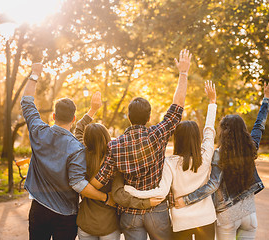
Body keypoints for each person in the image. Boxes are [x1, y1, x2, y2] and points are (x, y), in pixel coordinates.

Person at [90, 49, 192, 240]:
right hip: (157, 210)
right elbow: (177, 106)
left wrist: (82, 185)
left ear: (128, 117)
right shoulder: (158, 134)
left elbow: (98, 181)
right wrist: (183, 73)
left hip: (130, 212)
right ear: (149, 117)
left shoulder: (115, 146)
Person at [175, 78, 269, 240]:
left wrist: (186, 199)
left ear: (223, 133)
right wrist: (267, 97)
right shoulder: (251, 147)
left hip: (227, 216)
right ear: (242, 130)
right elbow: (259, 125)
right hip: (249, 216)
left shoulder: (219, 154)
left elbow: (213, 185)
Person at [21, 63, 114, 240]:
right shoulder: (77, 148)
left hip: (38, 209)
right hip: (65, 215)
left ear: (54, 116)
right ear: (73, 118)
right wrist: (105, 197)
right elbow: (78, 184)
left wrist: (35, 74)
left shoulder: (38, 131)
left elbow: (26, 101)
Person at [124, 80, 218, 240]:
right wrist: (212, 102)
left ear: (178, 139)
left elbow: (161, 192)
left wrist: (132, 191)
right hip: (206, 218)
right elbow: (209, 129)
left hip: (181, 221)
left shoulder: (170, 162)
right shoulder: (206, 155)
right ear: (197, 138)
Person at [74, 91, 163, 240]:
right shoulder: (115, 160)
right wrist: (145, 202)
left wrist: (93, 109)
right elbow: (120, 195)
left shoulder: (81, 154)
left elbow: (78, 128)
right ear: (107, 138)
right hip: (109, 225)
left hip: (86, 223)